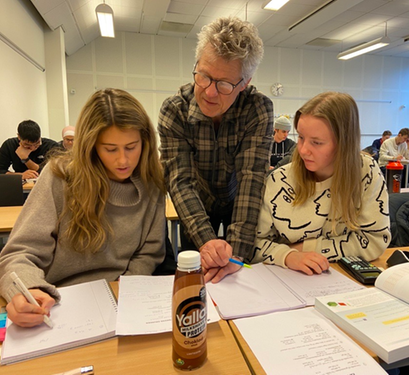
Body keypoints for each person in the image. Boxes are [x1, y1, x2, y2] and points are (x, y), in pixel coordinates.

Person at [0, 88, 167, 327]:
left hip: (120, 300)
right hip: (56, 302)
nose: (123, 160)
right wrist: (27, 289)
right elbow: (19, 253)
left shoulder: (152, 183)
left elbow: (150, 252)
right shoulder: (60, 176)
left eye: (132, 147)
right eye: (110, 149)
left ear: (146, 142)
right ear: (91, 146)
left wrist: (128, 287)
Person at [158, 17, 273, 283]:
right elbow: (180, 181)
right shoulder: (174, 109)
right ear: (196, 65)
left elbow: (252, 179)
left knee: (237, 277)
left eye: (224, 84)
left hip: (240, 204)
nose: (209, 92)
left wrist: (237, 253)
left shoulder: (257, 108)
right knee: (197, 275)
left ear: (244, 83)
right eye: (204, 76)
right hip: (195, 204)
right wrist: (207, 243)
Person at [250, 92, 390, 274]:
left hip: (342, 279)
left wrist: (303, 248)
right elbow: (253, 245)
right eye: (300, 137)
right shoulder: (279, 180)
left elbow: (375, 241)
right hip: (287, 280)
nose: (303, 150)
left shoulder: (366, 171)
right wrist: (288, 256)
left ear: (344, 143)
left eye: (316, 142)